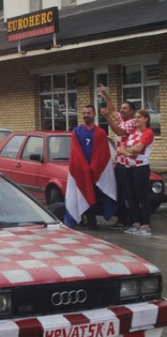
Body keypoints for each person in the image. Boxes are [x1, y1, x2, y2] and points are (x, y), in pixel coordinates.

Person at [64, 105, 117, 230]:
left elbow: (103, 153)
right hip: (82, 171)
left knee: (96, 197)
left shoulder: (100, 132)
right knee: (83, 194)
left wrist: (94, 166)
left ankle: (96, 220)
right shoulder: (77, 131)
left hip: (97, 172)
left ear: (94, 114)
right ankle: (87, 221)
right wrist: (84, 167)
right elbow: (75, 152)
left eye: (89, 112)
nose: (86, 115)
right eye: (84, 113)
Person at [99, 83, 136, 228]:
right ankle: (122, 218)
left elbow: (120, 131)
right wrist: (105, 94)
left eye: (125, 109)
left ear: (132, 111)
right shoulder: (123, 119)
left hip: (127, 164)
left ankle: (131, 220)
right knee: (119, 192)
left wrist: (107, 117)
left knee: (128, 194)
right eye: (122, 108)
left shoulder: (132, 122)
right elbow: (113, 110)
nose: (121, 110)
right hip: (119, 163)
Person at [119, 109, 154, 237]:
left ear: (146, 119)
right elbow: (122, 148)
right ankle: (136, 224)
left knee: (142, 196)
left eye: (139, 117)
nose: (136, 119)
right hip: (129, 167)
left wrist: (130, 151)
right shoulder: (133, 132)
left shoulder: (148, 133)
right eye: (135, 117)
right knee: (131, 196)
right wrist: (130, 152)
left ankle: (146, 226)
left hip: (141, 168)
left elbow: (138, 149)